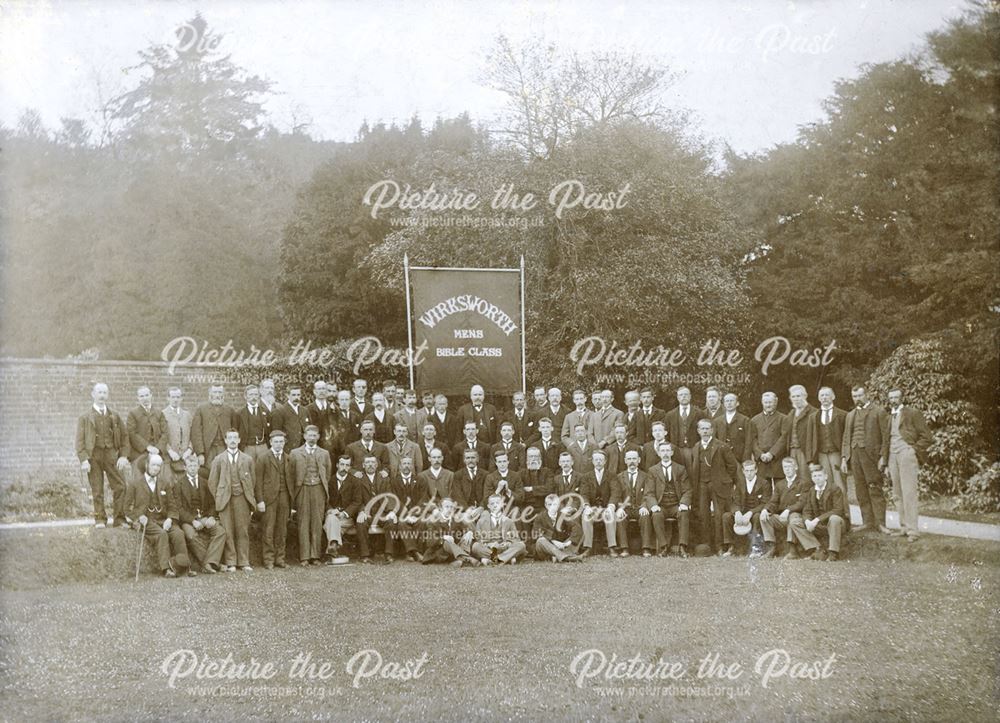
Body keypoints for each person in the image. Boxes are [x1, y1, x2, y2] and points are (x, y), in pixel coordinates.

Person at [125, 454, 191, 578]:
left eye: (158, 466)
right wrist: (139, 517)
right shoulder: (135, 483)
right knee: (162, 534)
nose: (156, 468)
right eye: (153, 465)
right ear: (147, 465)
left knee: (178, 533)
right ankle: (166, 569)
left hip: (163, 519)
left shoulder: (164, 483)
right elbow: (126, 507)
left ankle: (184, 566)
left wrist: (170, 519)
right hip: (146, 521)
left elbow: (172, 505)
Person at [76, 382, 130, 527]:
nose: (102, 395)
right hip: (93, 456)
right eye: (99, 392)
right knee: (97, 489)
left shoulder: (114, 416)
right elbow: (79, 441)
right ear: (93, 394)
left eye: (104, 392)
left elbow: (125, 437)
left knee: (120, 486)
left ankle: (119, 519)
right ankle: (100, 519)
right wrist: (84, 460)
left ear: (108, 395)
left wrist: (123, 456)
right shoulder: (85, 417)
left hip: (112, 455)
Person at [883, 389, 933, 542]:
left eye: (896, 397)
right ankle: (904, 527)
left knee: (909, 492)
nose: (893, 399)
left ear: (902, 398)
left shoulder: (912, 413)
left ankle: (913, 531)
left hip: (906, 453)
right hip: (892, 455)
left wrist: (913, 450)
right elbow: (886, 440)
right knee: (897, 493)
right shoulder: (888, 416)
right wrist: (885, 461)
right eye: (891, 397)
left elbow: (927, 437)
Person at [841, 386, 890, 533]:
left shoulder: (878, 411)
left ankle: (881, 523)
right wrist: (844, 458)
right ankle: (867, 522)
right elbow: (846, 438)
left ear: (867, 395)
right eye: (854, 396)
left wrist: (883, 458)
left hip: (872, 456)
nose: (857, 398)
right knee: (860, 490)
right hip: (855, 455)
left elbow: (886, 437)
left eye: (860, 395)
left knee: (875, 488)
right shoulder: (850, 415)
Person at [208, 429, 256, 572]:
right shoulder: (218, 459)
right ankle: (231, 562)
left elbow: (252, 480)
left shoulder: (247, 459)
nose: (233, 440)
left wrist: (245, 493)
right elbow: (212, 482)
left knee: (242, 530)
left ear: (240, 440)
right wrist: (221, 495)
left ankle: (244, 561)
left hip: (241, 498)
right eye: (230, 438)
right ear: (226, 440)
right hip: (225, 500)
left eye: (235, 437)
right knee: (228, 530)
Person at [171, 455, 226, 573]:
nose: (192, 468)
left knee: (220, 531)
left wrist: (211, 517)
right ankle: (211, 564)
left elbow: (212, 503)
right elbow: (179, 509)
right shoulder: (178, 485)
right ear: (185, 467)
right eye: (189, 466)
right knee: (191, 535)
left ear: (198, 466)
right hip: (188, 520)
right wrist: (192, 521)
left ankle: (209, 563)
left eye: (194, 465)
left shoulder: (205, 483)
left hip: (205, 517)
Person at [690, 419, 737, 554]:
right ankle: (706, 546)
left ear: (712, 430)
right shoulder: (696, 447)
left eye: (707, 429)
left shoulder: (721, 446)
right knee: (704, 516)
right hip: (702, 486)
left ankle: (720, 546)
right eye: (702, 429)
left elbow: (732, 466)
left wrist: (725, 481)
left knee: (718, 516)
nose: (705, 431)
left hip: (719, 486)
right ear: (698, 431)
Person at [291, 425, 332, 566]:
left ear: (319, 437)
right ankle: (304, 556)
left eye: (315, 435)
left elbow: (327, 473)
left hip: (318, 489)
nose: (312, 438)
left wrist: (320, 485)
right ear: (304, 436)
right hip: (302, 489)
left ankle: (315, 556)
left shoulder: (324, 453)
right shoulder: (295, 453)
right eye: (309, 435)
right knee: (303, 522)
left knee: (316, 522)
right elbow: (292, 474)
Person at [254, 429, 295, 569]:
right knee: (268, 529)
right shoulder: (263, 458)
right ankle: (269, 559)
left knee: (282, 529)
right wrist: (260, 500)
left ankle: (280, 558)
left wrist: (291, 501)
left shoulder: (288, 458)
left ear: (284, 443)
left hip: (284, 497)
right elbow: (258, 481)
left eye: (281, 442)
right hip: (269, 499)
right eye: (276, 442)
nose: (279, 444)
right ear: (270, 442)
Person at [789, 465, 847, 560]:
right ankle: (817, 549)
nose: (817, 478)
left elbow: (838, 510)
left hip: (835, 525)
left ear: (826, 477)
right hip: (819, 526)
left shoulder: (834, 488)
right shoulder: (812, 490)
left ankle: (833, 553)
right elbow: (807, 510)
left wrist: (817, 519)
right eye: (814, 476)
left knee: (834, 518)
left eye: (820, 475)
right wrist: (807, 521)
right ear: (812, 478)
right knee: (795, 522)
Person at [644, 441, 692, 558]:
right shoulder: (652, 470)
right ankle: (663, 547)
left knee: (684, 513)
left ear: (672, 452)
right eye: (662, 451)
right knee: (656, 515)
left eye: (667, 451)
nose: (665, 453)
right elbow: (649, 492)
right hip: (661, 504)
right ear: (658, 453)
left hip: (676, 504)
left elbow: (687, 490)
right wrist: (654, 505)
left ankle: (682, 547)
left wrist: (684, 503)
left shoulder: (680, 469)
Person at [381, 455, 429, 562]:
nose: (406, 466)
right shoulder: (393, 481)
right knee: (402, 524)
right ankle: (414, 552)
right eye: (404, 464)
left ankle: (412, 552)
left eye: (409, 464)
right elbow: (393, 499)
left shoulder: (420, 480)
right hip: (400, 514)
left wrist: (414, 514)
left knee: (421, 523)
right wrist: (406, 514)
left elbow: (423, 499)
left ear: (412, 466)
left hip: (417, 513)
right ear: (399, 466)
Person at [758, 457, 808, 558]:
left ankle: (792, 550)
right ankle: (771, 547)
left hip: (798, 517)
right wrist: (765, 509)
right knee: (764, 517)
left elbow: (802, 503)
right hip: (782, 518)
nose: (787, 469)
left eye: (790, 467)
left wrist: (788, 510)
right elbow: (773, 501)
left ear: (796, 467)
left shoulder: (803, 483)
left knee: (792, 516)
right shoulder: (780, 484)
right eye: (785, 467)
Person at [725, 458, 771, 557]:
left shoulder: (764, 483)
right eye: (747, 471)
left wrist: (751, 512)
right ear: (743, 471)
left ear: (756, 470)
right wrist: (737, 512)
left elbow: (765, 503)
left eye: (751, 470)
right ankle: (731, 547)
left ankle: (755, 548)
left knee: (756, 517)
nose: (749, 473)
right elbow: (734, 501)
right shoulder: (739, 483)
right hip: (742, 512)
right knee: (726, 517)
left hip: (755, 512)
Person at [609, 450, 651, 556]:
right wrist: (620, 508)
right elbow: (616, 494)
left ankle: (646, 548)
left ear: (639, 460)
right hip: (626, 508)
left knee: (645, 516)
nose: (632, 461)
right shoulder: (619, 477)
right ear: (625, 461)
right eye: (629, 459)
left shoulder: (646, 476)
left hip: (640, 507)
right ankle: (624, 548)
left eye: (634, 459)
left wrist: (644, 506)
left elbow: (648, 493)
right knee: (620, 517)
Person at [579, 449, 618, 555]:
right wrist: (586, 506)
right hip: (592, 508)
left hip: (606, 507)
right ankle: (588, 547)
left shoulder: (611, 475)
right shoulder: (586, 477)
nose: (598, 462)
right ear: (592, 461)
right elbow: (584, 494)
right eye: (596, 460)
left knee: (610, 515)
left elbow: (615, 493)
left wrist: (611, 507)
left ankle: (612, 547)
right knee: (586, 516)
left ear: (605, 461)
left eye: (601, 460)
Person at [421, 498, 479, 567]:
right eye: (446, 507)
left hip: (454, 552)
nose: (449, 509)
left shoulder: (456, 521)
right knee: (447, 542)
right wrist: (443, 538)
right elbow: (429, 542)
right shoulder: (433, 522)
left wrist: (469, 532)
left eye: (451, 507)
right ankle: (468, 558)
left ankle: (458, 560)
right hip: (440, 552)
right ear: (440, 509)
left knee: (466, 537)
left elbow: (465, 529)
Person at [191, 385, 236, 473]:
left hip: (224, 448)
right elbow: (196, 433)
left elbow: (235, 431)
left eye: (219, 392)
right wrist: (200, 453)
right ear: (210, 394)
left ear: (223, 394)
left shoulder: (229, 410)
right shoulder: (201, 409)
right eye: (215, 392)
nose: (217, 395)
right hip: (209, 450)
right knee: (209, 473)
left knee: (225, 472)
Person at [471, 494, 526, 565]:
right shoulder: (481, 521)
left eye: (497, 503)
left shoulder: (509, 521)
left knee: (521, 545)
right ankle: (507, 558)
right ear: (488, 506)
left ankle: (497, 559)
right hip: (489, 549)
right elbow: (478, 539)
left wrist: (508, 543)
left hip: (504, 548)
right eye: (492, 503)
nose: (495, 505)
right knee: (475, 546)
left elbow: (516, 539)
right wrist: (489, 544)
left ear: (502, 504)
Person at [815, 387, 847, 507]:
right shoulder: (815, 416)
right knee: (825, 484)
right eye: (822, 395)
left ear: (833, 397)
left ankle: (845, 516)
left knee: (840, 485)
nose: (824, 398)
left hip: (836, 453)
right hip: (822, 454)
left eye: (827, 395)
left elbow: (846, 437)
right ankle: (829, 514)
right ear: (819, 398)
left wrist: (844, 456)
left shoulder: (842, 415)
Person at [748, 391, 789, 483]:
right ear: (762, 403)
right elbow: (752, 440)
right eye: (766, 402)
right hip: (761, 461)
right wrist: (760, 454)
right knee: (763, 489)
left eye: (770, 402)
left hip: (777, 460)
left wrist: (772, 454)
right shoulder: (754, 420)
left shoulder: (783, 419)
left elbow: (784, 438)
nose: (768, 405)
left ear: (776, 402)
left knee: (779, 488)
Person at [533, 493, 585, 562]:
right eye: (549, 504)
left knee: (580, 533)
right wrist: (553, 541)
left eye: (554, 504)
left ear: (558, 506)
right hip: (546, 547)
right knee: (540, 540)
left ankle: (557, 556)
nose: (552, 507)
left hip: (561, 546)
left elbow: (576, 527)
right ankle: (566, 557)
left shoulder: (562, 516)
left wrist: (568, 542)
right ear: (545, 505)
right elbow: (537, 533)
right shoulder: (540, 517)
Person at [323, 454, 353, 564]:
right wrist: (331, 510)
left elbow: (357, 502)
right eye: (342, 464)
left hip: (347, 518)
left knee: (331, 523)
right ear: (337, 465)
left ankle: (332, 547)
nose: (344, 467)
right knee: (331, 519)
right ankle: (334, 548)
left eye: (347, 465)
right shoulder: (329, 481)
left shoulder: (354, 481)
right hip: (332, 514)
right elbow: (325, 500)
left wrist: (344, 512)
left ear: (350, 467)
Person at [788, 384, 819, 482]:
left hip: (805, 451)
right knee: (794, 478)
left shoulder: (814, 412)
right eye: (793, 396)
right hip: (792, 451)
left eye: (798, 396)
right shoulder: (791, 414)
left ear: (805, 396)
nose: (796, 399)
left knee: (806, 479)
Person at [161, 387, 193, 476]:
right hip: (169, 458)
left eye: (178, 397)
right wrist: (170, 451)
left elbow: (193, 435)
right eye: (173, 397)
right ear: (168, 398)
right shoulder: (162, 414)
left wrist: (189, 450)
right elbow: (160, 437)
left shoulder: (187, 415)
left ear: (181, 398)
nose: (176, 400)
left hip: (185, 458)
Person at [236, 384, 270, 461]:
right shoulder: (239, 413)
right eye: (251, 394)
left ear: (258, 396)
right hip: (247, 447)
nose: (253, 397)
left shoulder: (265, 411)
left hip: (263, 446)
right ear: (246, 396)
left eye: (256, 394)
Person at [713, 393, 750, 463]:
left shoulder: (744, 420)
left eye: (731, 401)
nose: (729, 403)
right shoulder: (717, 421)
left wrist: (746, 459)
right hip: (722, 457)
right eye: (727, 401)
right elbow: (715, 441)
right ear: (723, 404)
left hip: (739, 458)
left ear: (737, 403)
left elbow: (748, 442)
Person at [271, 385, 310, 451]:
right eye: (293, 395)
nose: (296, 397)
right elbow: (276, 432)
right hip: (289, 449)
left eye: (298, 395)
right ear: (288, 395)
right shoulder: (280, 411)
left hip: (304, 448)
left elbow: (308, 428)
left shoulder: (304, 410)